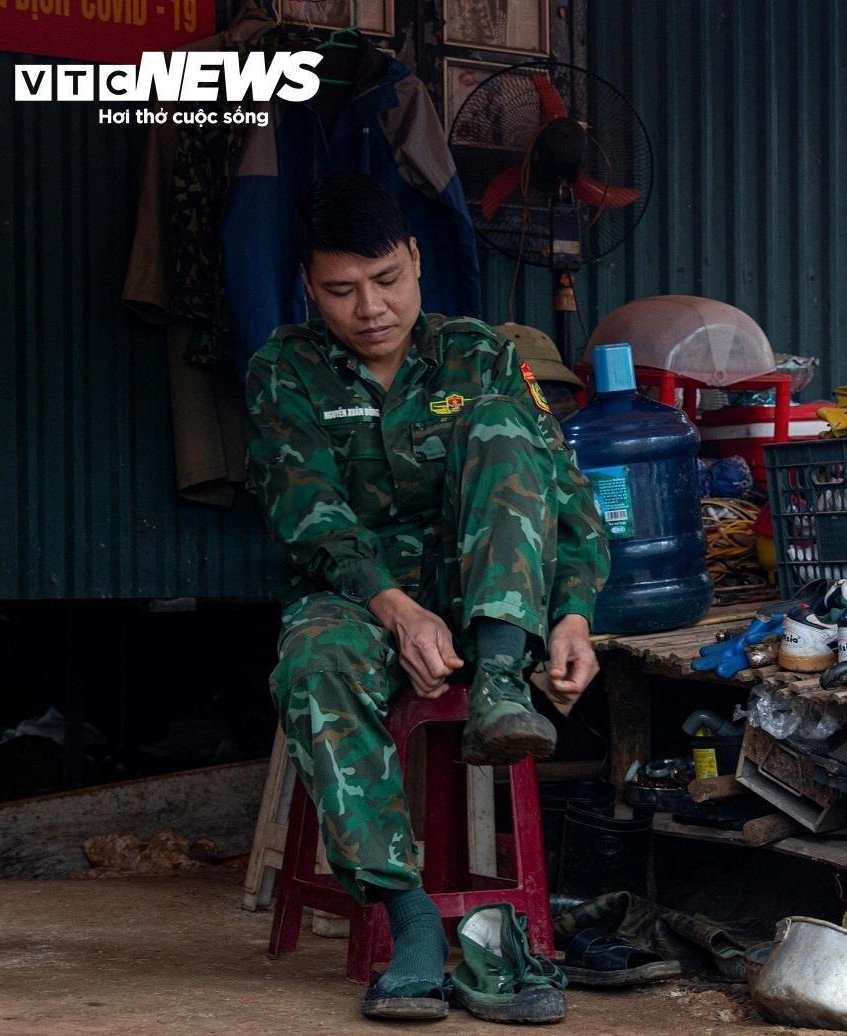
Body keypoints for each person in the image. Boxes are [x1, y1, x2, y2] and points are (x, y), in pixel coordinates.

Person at [245, 172, 609, 1018]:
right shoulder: (286, 371)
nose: (370, 307)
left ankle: (498, 683)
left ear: (415, 260)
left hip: (488, 593)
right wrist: (393, 608)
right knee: (312, 666)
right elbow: (310, 515)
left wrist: (575, 614)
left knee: (506, 430)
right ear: (309, 287)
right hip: (355, 595)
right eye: (340, 290)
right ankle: (407, 920)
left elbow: (565, 498)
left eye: (387, 280)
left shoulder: (476, 353)